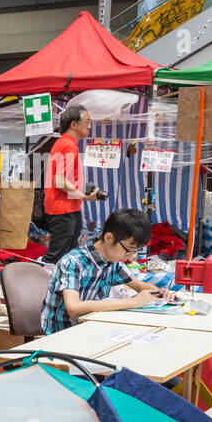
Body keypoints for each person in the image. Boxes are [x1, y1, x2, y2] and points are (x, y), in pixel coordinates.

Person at [40, 208, 170, 334]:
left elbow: (141, 286)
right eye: (129, 250)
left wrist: (159, 293)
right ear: (109, 238)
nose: (130, 257)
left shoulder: (113, 262)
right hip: (62, 333)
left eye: (135, 252)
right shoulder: (73, 262)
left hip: (89, 329)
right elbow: (73, 308)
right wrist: (134, 302)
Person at [44, 104, 99, 265]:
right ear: (74, 125)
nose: (89, 126)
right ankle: (33, 284)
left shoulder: (66, 144)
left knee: (67, 256)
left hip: (68, 208)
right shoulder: (67, 145)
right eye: (87, 122)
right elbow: (59, 181)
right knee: (56, 257)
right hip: (63, 209)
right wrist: (85, 196)